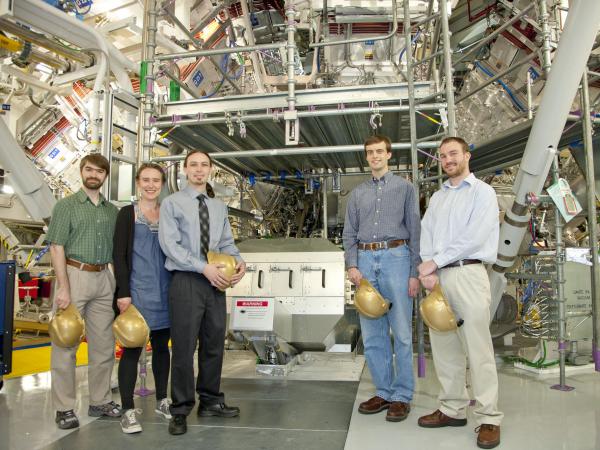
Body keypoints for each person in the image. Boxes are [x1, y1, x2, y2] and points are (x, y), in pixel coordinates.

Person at [418, 136, 503, 449]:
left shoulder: (483, 193)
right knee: (444, 347)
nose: (447, 159)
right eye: (442, 156)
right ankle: (453, 408)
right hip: (439, 279)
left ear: (467, 155)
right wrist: (427, 269)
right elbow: (426, 234)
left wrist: (434, 263)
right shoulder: (439, 197)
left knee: (477, 349)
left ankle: (489, 417)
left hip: (468, 273)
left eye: (453, 153)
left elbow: (474, 236)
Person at [159, 150, 246, 435]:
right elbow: (170, 246)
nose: (199, 169)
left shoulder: (218, 207)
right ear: (185, 170)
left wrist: (239, 261)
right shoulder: (171, 203)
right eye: (193, 165)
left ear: (210, 170)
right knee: (184, 347)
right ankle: (181, 408)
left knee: (213, 343)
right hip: (186, 280)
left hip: (215, 283)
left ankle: (210, 400)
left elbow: (226, 243)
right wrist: (202, 268)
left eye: (204, 165)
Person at [342, 134, 421, 422]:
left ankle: (402, 395)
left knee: (401, 332)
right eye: (370, 152)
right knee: (373, 334)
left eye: (379, 151)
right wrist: (352, 265)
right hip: (364, 261)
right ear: (366, 157)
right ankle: (384, 391)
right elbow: (349, 233)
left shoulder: (405, 189)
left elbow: (415, 231)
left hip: (396, 258)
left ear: (389, 155)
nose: (374, 156)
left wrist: (414, 272)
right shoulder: (357, 194)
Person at [46, 153, 121, 429]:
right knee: (65, 344)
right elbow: (56, 247)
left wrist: (115, 284)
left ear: (105, 176)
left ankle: (99, 400)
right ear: (81, 172)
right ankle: (64, 407)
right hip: (74, 275)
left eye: (99, 171)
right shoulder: (66, 206)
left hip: (104, 277)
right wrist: (63, 288)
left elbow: (115, 251)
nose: (94, 175)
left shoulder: (111, 211)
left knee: (103, 345)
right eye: (89, 170)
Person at [113, 163, 172, 434]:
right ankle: (127, 410)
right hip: (137, 292)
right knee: (132, 350)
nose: (151, 185)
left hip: (165, 291)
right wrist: (123, 293)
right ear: (138, 183)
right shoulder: (127, 214)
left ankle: (162, 400)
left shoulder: (169, 213)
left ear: (162, 183)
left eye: (156, 180)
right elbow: (120, 256)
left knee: (162, 348)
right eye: (146, 180)